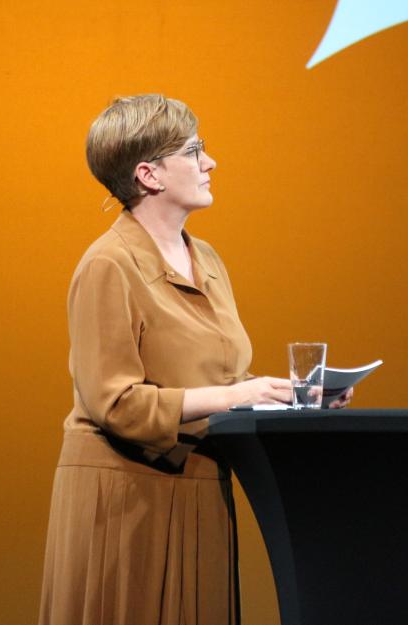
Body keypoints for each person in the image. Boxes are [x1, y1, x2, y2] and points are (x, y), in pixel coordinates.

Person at [39, 94, 351, 625]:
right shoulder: (107, 265)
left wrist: (286, 396)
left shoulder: (205, 257)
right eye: (194, 150)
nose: (210, 162)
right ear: (149, 174)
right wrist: (238, 395)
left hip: (200, 487)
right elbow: (116, 402)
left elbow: (223, 379)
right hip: (126, 499)